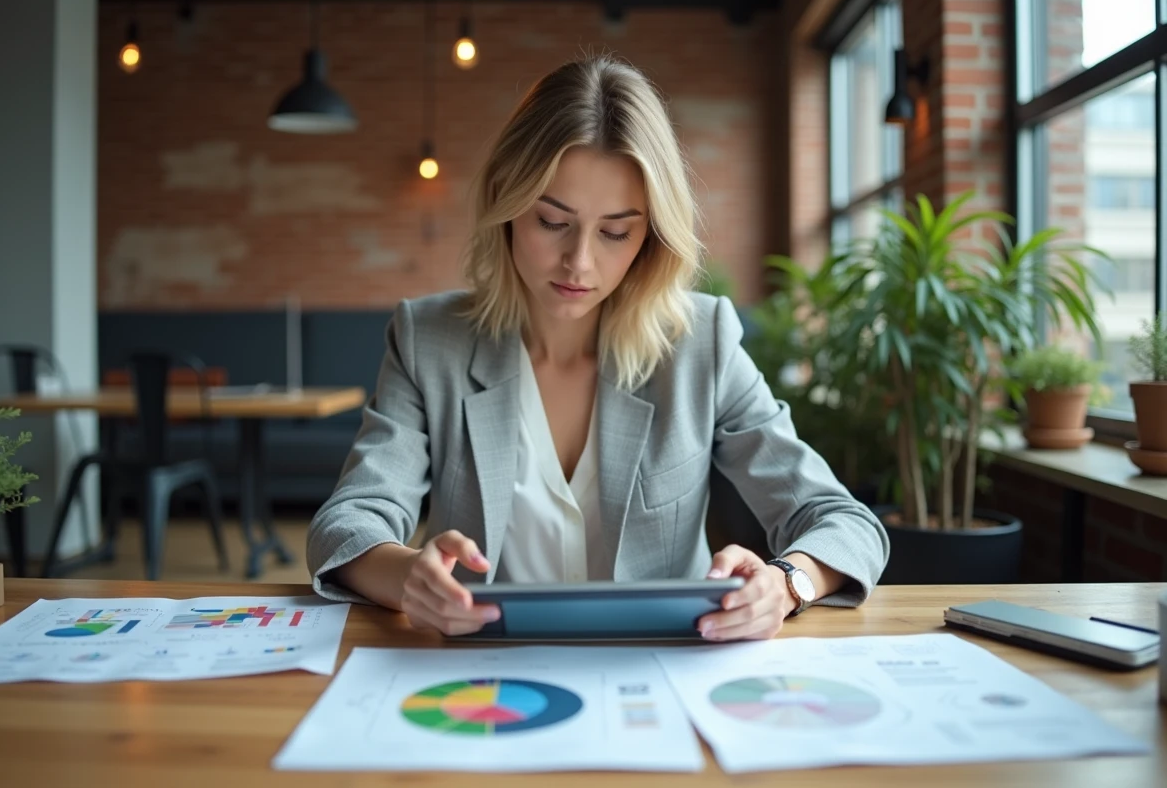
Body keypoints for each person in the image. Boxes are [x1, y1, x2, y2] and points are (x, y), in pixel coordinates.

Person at [307, 54, 889, 640]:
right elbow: (347, 523)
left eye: (616, 232)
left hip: (662, 669)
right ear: (507, 207)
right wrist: (409, 576)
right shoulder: (427, 340)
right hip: (486, 678)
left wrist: (788, 584)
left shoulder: (701, 345)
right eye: (552, 221)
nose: (580, 262)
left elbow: (842, 522)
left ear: (651, 236)